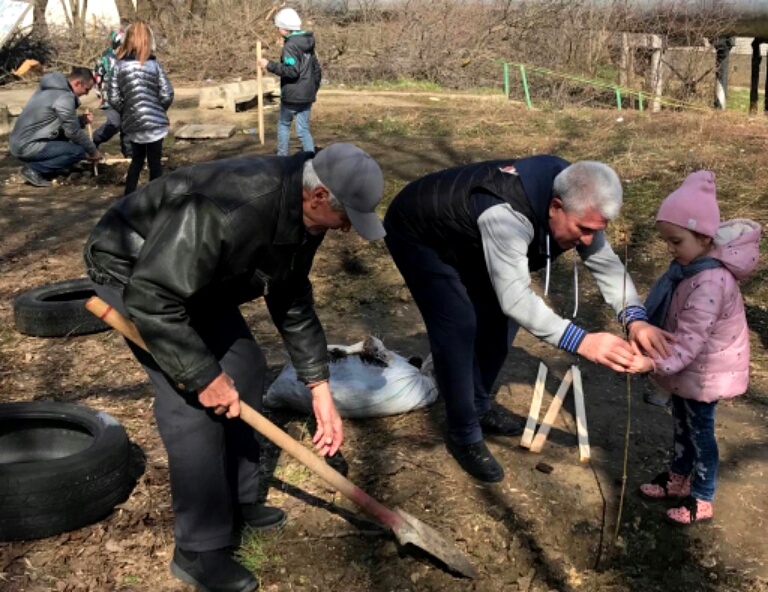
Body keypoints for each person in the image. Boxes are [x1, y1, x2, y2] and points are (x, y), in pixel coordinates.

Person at [84, 143, 386, 592]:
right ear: (319, 195)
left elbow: (290, 293)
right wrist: (203, 376)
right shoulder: (227, 209)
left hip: (198, 274)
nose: (346, 229)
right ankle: (198, 550)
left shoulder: (304, 210)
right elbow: (153, 297)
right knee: (193, 403)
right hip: (136, 270)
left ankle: (240, 500)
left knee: (245, 369)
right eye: (345, 218)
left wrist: (319, 386)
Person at [383, 156, 673, 483]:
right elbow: (517, 298)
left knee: (501, 317)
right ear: (555, 206)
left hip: (469, 233)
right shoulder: (506, 216)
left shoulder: (581, 193)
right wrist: (582, 341)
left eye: (597, 230)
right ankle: (463, 432)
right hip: (418, 232)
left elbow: (605, 264)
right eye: (584, 230)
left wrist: (635, 318)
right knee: (457, 323)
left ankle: (478, 406)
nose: (589, 241)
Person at [628, 171, 761, 525]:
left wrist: (652, 363)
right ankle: (678, 477)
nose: (670, 250)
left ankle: (702, 497)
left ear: (704, 237)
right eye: (667, 242)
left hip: (705, 373)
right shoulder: (690, 270)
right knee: (682, 425)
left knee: (701, 433)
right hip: (688, 370)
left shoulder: (710, 282)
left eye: (676, 241)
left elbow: (689, 341)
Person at [108, 20, 173, 195]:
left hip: (133, 123)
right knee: (155, 162)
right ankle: (155, 200)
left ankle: (128, 199)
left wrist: (127, 112)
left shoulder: (118, 67)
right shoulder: (155, 66)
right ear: (148, 41)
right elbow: (167, 93)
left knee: (136, 160)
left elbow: (113, 97)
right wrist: (159, 111)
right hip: (155, 124)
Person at [9, 67, 102, 187]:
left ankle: (54, 167)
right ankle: (33, 170)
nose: (86, 94)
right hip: (27, 146)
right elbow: (73, 132)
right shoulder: (64, 97)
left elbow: (58, 124)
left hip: (20, 142)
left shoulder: (51, 89)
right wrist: (93, 151)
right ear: (77, 83)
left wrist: (81, 121)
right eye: (86, 89)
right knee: (78, 151)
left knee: (67, 139)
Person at [258, 7, 322, 156]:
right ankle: (310, 160)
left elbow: (292, 71)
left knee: (284, 124)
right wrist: (312, 89)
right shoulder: (308, 43)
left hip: (292, 95)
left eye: (278, 27)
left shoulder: (290, 46)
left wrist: (269, 65)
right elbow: (317, 70)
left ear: (283, 28)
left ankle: (282, 158)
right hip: (307, 94)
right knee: (303, 129)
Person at [92, 27, 132, 158]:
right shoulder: (105, 58)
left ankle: (129, 153)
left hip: (127, 96)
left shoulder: (130, 58)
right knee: (114, 123)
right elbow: (97, 76)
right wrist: (99, 92)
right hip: (110, 96)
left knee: (127, 125)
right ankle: (95, 140)